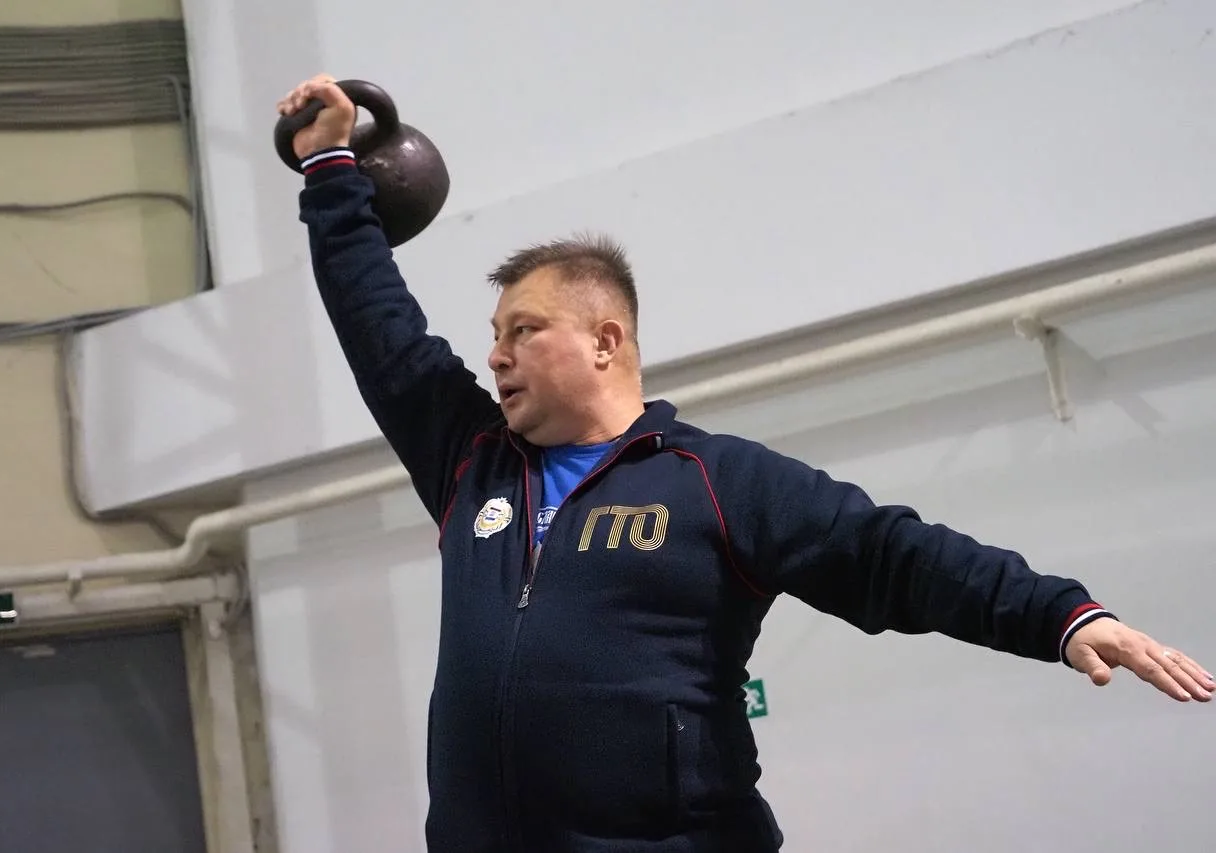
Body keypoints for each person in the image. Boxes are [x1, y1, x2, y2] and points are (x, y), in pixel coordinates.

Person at [277, 74, 1212, 852]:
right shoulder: (472, 465)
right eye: (494, 334)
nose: (495, 356)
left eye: (523, 330)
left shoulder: (715, 482)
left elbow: (893, 554)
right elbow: (380, 328)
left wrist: (1060, 615)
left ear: (606, 341)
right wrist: (328, 167)